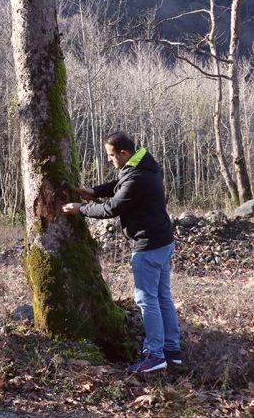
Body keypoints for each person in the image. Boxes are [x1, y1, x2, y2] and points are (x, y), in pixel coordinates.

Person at [62, 131, 180, 373]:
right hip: (162, 242)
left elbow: (112, 208)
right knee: (162, 297)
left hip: (148, 246)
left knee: (147, 300)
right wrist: (95, 191)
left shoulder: (138, 178)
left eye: (111, 156)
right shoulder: (143, 163)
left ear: (123, 153)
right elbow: (119, 185)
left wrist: (81, 208)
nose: (109, 160)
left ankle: (155, 355)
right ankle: (172, 351)